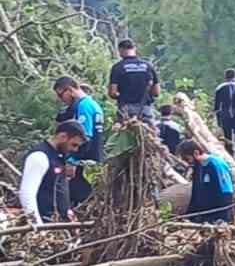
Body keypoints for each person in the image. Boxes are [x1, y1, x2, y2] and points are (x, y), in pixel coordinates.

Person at [18, 121, 86, 225]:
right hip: (44, 222)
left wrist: (67, 210)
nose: (75, 149)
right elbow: (27, 194)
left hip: (57, 223)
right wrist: (37, 227)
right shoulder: (39, 156)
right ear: (63, 136)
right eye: (74, 144)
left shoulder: (58, 157)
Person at [53, 77, 104, 206]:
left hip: (84, 162)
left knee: (77, 199)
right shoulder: (93, 104)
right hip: (94, 159)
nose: (61, 100)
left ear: (69, 90)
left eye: (61, 95)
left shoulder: (84, 105)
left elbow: (84, 138)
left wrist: (73, 161)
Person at [177, 139, 235, 224]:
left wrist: (224, 218)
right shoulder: (198, 168)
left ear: (196, 153)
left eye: (187, 159)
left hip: (219, 214)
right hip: (205, 215)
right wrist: (189, 216)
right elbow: (195, 194)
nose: (188, 163)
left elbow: (226, 192)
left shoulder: (216, 164)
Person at [107, 38, 160, 125]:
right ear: (134, 49)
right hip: (145, 110)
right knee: (151, 135)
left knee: (123, 136)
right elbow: (156, 92)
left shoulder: (118, 67)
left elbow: (112, 92)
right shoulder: (148, 66)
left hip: (126, 111)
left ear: (120, 50)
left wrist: (122, 95)